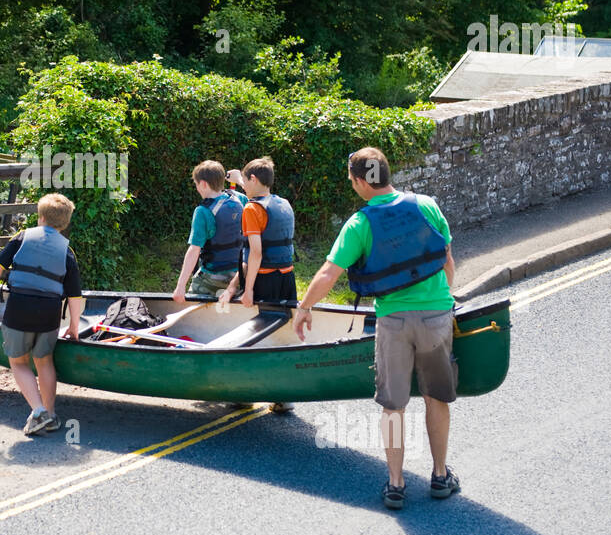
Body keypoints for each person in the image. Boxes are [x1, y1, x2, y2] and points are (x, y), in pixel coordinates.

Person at [290, 147, 459, 511]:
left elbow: (327, 274)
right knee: (436, 397)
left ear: (357, 181)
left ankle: (396, 484)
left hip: (394, 322)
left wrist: (304, 308)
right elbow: (446, 260)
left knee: (393, 406)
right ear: (385, 172)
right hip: (436, 316)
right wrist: (446, 299)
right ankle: (441, 475)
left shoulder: (360, 224)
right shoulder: (427, 204)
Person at [0, 193, 85, 436]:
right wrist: (74, 326)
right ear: (65, 223)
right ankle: (49, 415)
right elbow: (75, 296)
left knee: (19, 362)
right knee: (44, 360)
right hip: (48, 313)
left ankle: (38, 411)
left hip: (20, 308)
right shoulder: (67, 252)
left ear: (40, 217)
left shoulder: (22, 237)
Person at [220, 157, 297, 307]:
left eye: (245, 181)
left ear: (253, 179)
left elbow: (255, 253)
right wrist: (239, 179)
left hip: (265, 281)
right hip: (287, 278)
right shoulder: (284, 203)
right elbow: (254, 190)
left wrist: (247, 290)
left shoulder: (252, 209)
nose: (244, 187)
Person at [172, 160, 248, 302]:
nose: (197, 188)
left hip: (212, 277)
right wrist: (239, 180)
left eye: (196, 184)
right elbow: (255, 196)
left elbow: (194, 250)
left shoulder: (203, 211)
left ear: (204, 184)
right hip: (239, 276)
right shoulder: (239, 199)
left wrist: (180, 286)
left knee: (191, 301)